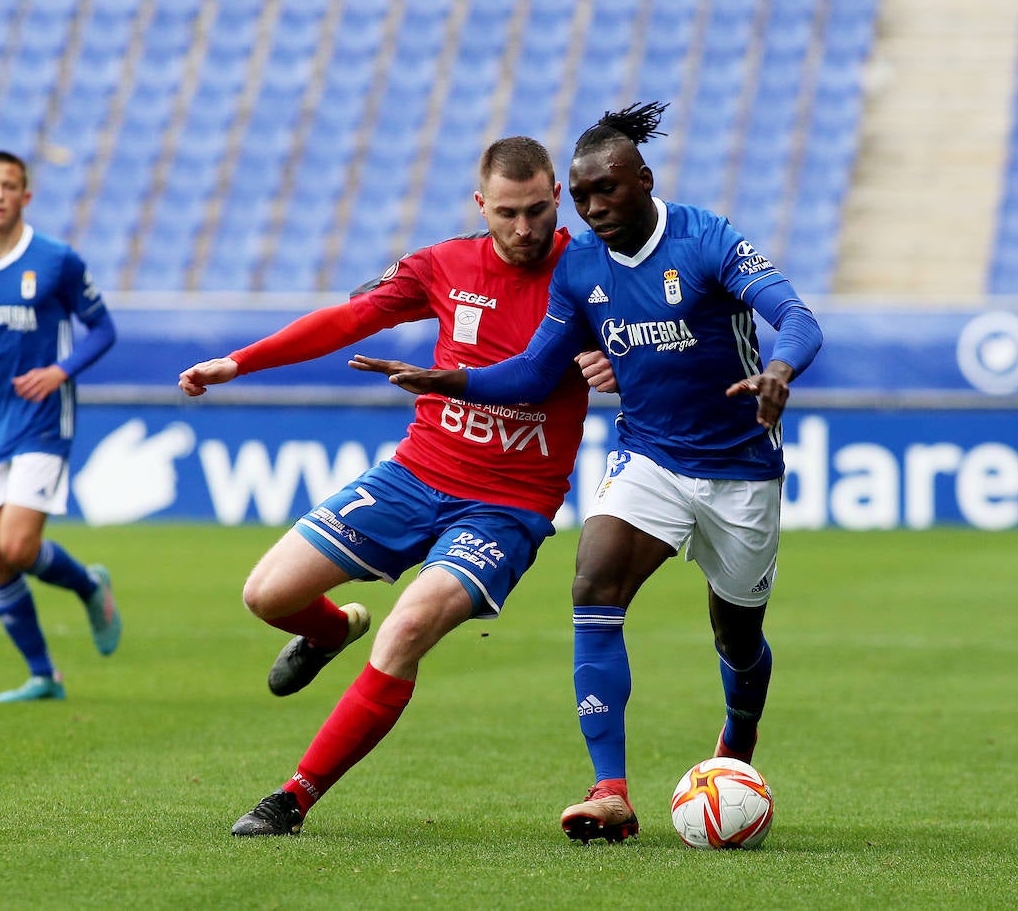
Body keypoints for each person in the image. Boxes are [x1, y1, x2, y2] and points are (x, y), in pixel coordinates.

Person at [351, 102, 824, 844]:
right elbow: (537, 371)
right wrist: (448, 379)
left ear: (644, 178)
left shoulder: (707, 240)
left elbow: (796, 315)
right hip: (650, 457)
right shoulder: (578, 267)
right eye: (583, 196)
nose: (595, 207)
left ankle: (738, 736)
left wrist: (781, 370)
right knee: (593, 583)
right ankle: (609, 791)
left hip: (740, 472)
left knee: (737, 638)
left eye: (609, 190)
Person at [177, 136, 615, 837]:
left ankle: (294, 796)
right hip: (416, 474)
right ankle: (331, 630)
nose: (525, 229)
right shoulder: (443, 264)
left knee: (408, 625)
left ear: (558, 197)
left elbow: (657, 343)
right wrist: (239, 361)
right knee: (266, 594)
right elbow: (351, 318)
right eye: (507, 213)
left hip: (507, 504)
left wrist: (619, 366)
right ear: (481, 204)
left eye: (537, 210)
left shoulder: (592, 270)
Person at [0, 150, 121, 703]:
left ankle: (89, 585)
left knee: (16, 545)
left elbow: (102, 329)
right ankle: (44, 675)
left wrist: (59, 370)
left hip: (43, 417)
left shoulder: (57, 259)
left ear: (25, 196)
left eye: (8, 186)